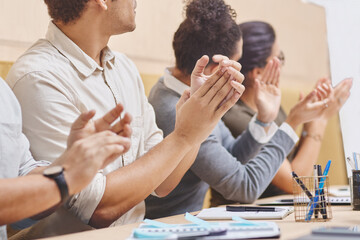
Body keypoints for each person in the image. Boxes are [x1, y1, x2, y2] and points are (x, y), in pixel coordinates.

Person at [5, 0, 244, 234]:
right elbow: (99, 208)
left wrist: (206, 114)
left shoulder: (124, 68)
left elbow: (163, 183)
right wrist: (184, 135)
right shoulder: (38, 77)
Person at [145, 0, 333, 219]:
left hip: (191, 222)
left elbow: (232, 153)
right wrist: (291, 123)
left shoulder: (181, 90)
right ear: (216, 69)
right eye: (237, 63)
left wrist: (263, 120)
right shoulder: (174, 109)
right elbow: (246, 188)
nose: (239, 71)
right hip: (172, 227)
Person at [219, 21, 353, 201]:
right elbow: (297, 183)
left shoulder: (267, 103)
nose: (282, 66)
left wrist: (308, 119)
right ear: (258, 72)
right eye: (279, 58)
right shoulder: (237, 118)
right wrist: (319, 122)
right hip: (249, 215)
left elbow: (292, 163)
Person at [0, 76, 132, 239]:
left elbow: (21, 174)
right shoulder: (36, 76)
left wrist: (74, 161)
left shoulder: (3, 92)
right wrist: (65, 178)